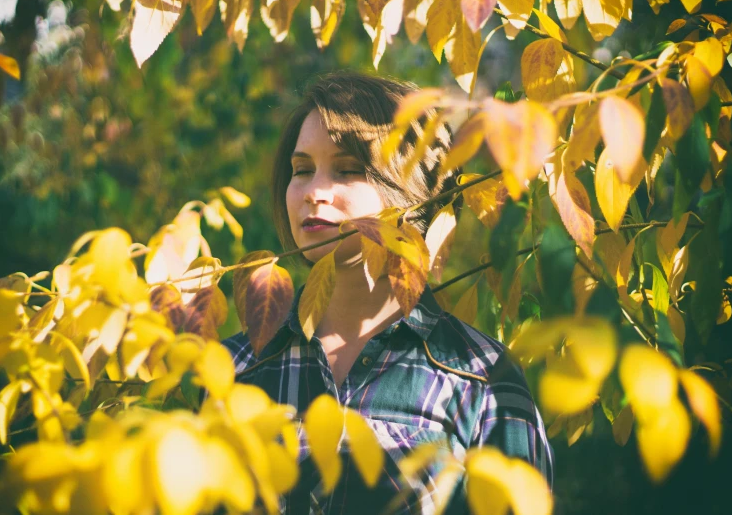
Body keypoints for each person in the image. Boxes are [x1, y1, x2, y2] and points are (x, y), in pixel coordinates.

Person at [221, 71, 553, 514]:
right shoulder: (236, 368)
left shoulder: (482, 379)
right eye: (302, 170)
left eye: (348, 169)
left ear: (412, 192)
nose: (314, 192)